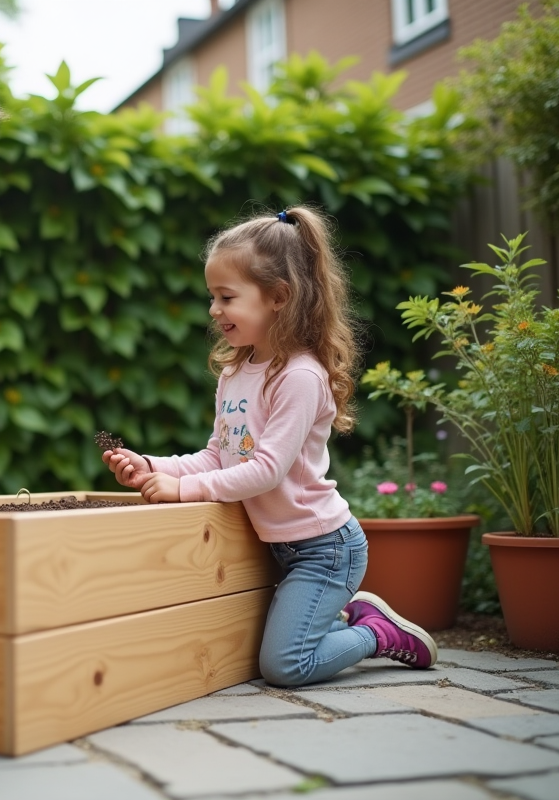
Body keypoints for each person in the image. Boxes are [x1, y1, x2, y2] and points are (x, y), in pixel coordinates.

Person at [103, 206, 438, 687]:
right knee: (283, 654)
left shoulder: (299, 376)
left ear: (279, 297)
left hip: (325, 549)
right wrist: (154, 466)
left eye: (227, 297)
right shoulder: (236, 373)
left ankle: (376, 634)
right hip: (284, 549)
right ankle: (338, 624)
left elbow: (265, 471)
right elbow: (219, 456)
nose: (214, 310)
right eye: (211, 297)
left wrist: (183, 491)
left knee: (285, 667)